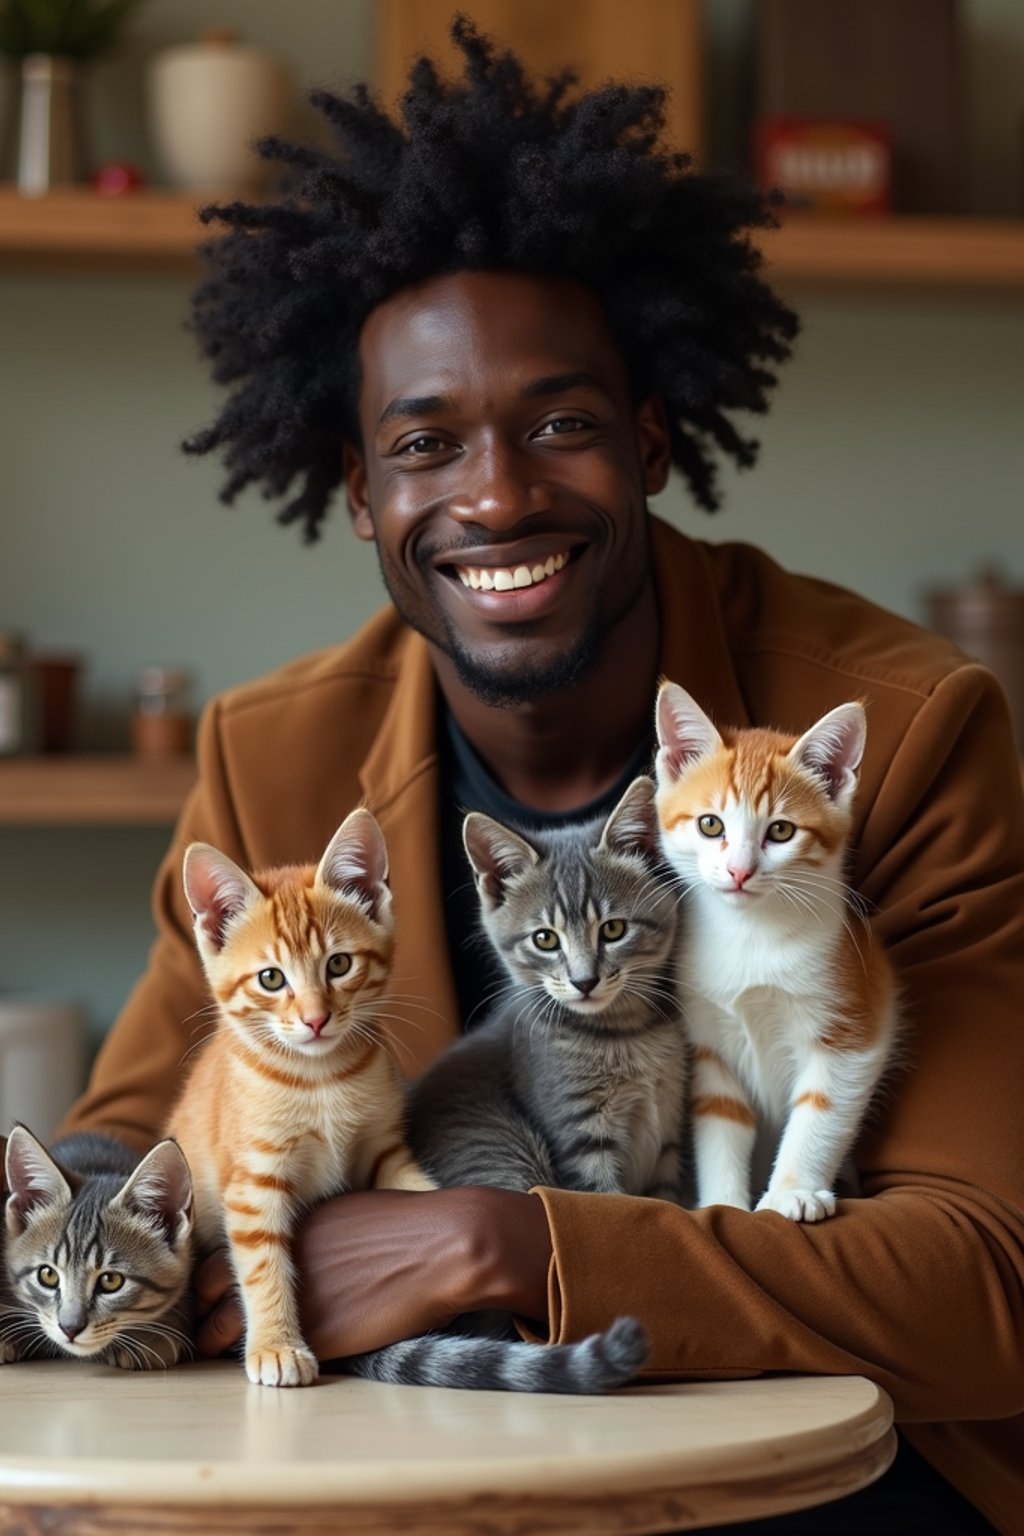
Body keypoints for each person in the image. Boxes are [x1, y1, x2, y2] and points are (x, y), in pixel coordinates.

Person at [47, 20, 1023, 1532]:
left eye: (560, 423)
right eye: (426, 446)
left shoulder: (896, 729)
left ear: (647, 438)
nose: (497, 493)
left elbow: (982, 1279)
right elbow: (139, 1143)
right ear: (361, 495)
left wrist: (509, 1243)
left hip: (800, 1476)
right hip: (405, 1458)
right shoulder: (271, 752)